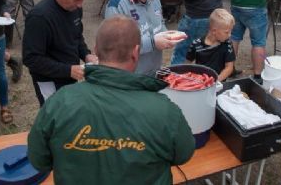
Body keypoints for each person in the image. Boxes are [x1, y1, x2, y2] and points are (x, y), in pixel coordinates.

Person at [27, 15, 195, 184]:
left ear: (96, 51)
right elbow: (183, 154)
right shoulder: (164, 110)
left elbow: (39, 161)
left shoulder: (59, 101)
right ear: (136, 53)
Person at [23, 0, 98, 106]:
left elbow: (76, 36)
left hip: (69, 75)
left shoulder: (74, 8)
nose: (80, 5)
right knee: (54, 116)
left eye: (82, 0)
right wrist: (68, 70)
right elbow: (31, 59)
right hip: (49, 80)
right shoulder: (40, 17)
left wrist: (86, 55)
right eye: (76, 0)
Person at [105, 0, 178, 74]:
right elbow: (117, 47)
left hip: (154, 71)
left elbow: (160, 23)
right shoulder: (117, 6)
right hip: (131, 78)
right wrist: (153, 43)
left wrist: (167, 35)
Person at [186, 9, 236, 82]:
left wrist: (216, 81)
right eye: (227, 32)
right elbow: (187, 64)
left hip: (219, 83)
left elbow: (229, 67)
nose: (230, 35)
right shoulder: (196, 44)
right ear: (214, 31)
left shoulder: (227, 44)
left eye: (230, 31)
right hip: (200, 82)